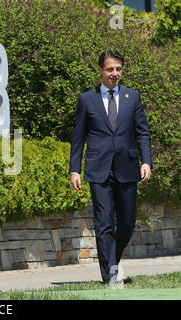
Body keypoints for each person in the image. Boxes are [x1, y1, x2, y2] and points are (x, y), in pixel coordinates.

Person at [69, 50, 152, 284]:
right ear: (100, 71)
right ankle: (110, 276)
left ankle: (112, 259)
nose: (114, 74)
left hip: (127, 167)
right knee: (104, 221)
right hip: (99, 168)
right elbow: (78, 138)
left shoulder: (132, 97)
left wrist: (146, 161)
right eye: (110, 69)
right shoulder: (87, 99)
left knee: (127, 222)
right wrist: (74, 169)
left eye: (118, 69)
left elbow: (142, 133)